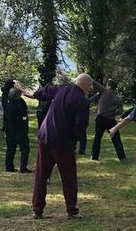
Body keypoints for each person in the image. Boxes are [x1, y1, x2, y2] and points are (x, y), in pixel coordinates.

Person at [17, 74, 93, 219]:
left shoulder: (62, 88)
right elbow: (81, 126)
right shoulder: (82, 100)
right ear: (85, 85)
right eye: (89, 87)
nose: (89, 90)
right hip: (63, 142)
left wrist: (30, 93)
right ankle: (72, 210)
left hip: (45, 136)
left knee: (41, 175)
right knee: (68, 176)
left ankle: (37, 210)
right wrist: (73, 141)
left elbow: (43, 92)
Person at [90, 79, 125, 161]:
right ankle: (122, 157)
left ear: (109, 86)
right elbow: (120, 111)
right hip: (111, 120)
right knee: (116, 138)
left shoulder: (104, 91)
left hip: (100, 118)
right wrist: (113, 113)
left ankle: (94, 156)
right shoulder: (118, 98)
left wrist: (87, 77)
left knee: (97, 137)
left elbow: (94, 83)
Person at [4, 87, 31, 173]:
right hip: (19, 130)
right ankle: (23, 167)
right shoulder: (19, 105)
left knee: (11, 148)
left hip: (10, 130)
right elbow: (23, 116)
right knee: (25, 148)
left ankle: (9, 166)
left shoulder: (8, 104)